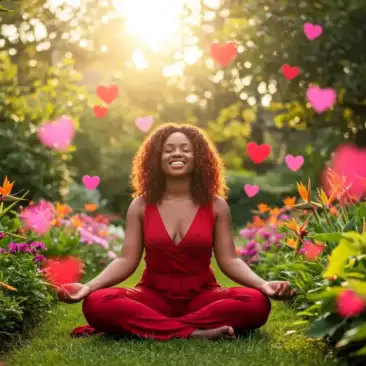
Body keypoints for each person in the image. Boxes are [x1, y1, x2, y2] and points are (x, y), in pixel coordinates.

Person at [57, 123, 295, 341]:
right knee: (97, 303)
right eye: (168, 149)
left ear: (198, 157)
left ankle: (161, 328)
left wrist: (263, 285)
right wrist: (89, 287)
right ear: (157, 159)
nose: (177, 153)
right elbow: (126, 260)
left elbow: (230, 260)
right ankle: (194, 333)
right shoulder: (140, 205)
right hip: (152, 297)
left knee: (256, 303)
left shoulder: (216, 206)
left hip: (203, 297)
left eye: (185, 149)